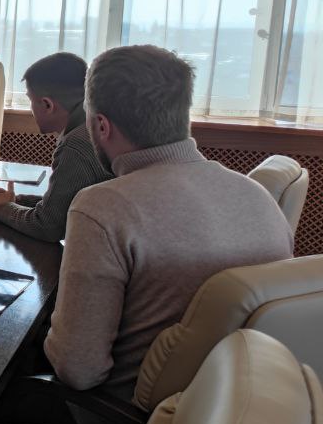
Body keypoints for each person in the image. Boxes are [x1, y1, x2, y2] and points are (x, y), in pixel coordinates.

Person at [44, 45, 293, 401]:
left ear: (101, 125)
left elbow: (78, 370)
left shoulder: (103, 206)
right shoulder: (258, 196)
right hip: (235, 407)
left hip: (125, 419)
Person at [0, 53, 111, 242]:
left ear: (48, 105)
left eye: (31, 100)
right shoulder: (93, 127)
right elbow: (62, 206)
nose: (31, 108)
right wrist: (15, 201)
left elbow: (48, 226)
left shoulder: (75, 144)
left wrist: (1, 208)